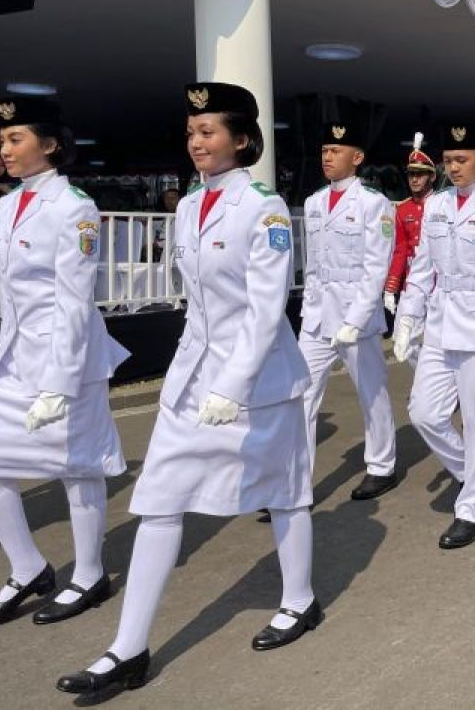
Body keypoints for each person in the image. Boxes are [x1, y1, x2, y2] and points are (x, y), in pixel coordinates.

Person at [58, 83, 318, 696]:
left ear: (242, 139)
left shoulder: (265, 207)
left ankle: (299, 599)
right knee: (158, 499)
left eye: (209, 131)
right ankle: (128, 648)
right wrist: (198, 376)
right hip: (192, 376)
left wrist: (232, 383)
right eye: (191, 132)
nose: (196, 141)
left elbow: (265, 308)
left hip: (259, 382)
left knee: (282, 492)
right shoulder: (186, 207)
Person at [0, 97, 129, 627]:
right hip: (16, 351)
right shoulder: (7, 206)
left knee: (78, 465)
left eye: (16, 139)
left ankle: (90, 574)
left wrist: (59, 379)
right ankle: (27, 567)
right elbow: (2, 287)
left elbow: (75, 299)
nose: (4, 149)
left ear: (50, 145)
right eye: (2, 140)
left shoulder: (74, 208)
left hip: (66, 351)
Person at [391, 122, 475, 549]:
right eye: (448, 161)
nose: (454, 168)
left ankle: (472, 508)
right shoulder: (436, 206)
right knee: (424, 412)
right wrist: (407, 318)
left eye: (462, 160)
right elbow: (423, 266)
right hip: (441, 323)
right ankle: (471, 472)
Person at [298, 111, 398, 501]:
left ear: (356, 158)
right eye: (324, 150)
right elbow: (315, 265)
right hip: (319, 316)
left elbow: (376, 268)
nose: (327, 157)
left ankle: (381, 465)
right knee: (301, 396)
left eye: (335, 150)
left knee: (370, 391)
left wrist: (355, 320)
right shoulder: (314, 202)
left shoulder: (374, 204)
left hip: (356, 316)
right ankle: (295, 485)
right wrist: (308, 312)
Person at [383, 132, 436, 368]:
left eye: (420, 174)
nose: (414, 179)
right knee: (405, 343)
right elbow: (400, 250)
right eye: (411, 175)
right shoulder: (403, 210)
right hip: (412, 281)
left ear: (431, 177)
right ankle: (425, 384)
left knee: (439, 340)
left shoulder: (441, 204)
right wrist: (391, 287)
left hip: (438, 281)